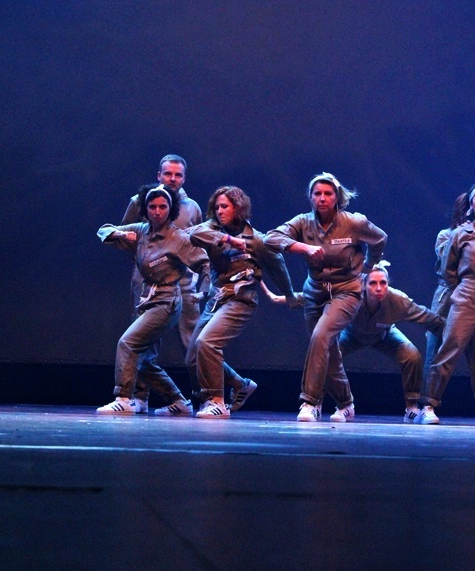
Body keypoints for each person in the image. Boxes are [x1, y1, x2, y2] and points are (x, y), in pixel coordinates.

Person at [266, 173, 387, 423]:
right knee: (327, 349)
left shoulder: (354, 223)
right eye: (317, 194)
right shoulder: (303, 223)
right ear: (310, 197)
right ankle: (346, 403)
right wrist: (304, 247)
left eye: (328, 194)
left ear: (337, 197)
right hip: (315, 291)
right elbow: (271, 238)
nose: (322, 198)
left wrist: (370, 264)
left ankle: (310, 402)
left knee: (321, 337)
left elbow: (380, 238)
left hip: (346, 290)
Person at [184, 186, 301, 419]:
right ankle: (240, 383)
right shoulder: (212, 230)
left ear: (238, 207)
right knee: (193, 358)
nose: (219, 211)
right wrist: (226, 239)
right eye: (216, 207)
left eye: (224, 206)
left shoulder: (257, 239)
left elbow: (277, 267)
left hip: (241, 300)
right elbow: (193, 234)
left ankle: (216, 401)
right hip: (216, 300)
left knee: (207, 344)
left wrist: (288, 294)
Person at [96, 186, 209, 415]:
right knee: (144, 358)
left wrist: (203, 291)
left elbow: (204, 263)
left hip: (167, 302)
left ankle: (124, 398)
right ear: (146, 209)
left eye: (162, 207)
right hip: (148, 299)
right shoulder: (141, 230)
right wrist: (120, 235)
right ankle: (178, 401)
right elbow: (103, 231)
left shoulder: (178, 238)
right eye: (152, 207)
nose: (157, 212)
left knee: (127, 343)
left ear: (171, 209)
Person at [119, 155, 205, 412]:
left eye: (178, 175)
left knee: (193, 341)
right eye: (168, 174)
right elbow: (126, 235)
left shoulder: (191, 207)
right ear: (159, 175)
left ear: (184, 178)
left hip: (185, 283)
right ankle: (140, 397)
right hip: (148, 283)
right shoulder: (140, 202)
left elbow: (200, 243)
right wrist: (146, 261)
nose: (173, 179)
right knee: (144, 339)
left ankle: (204, 398)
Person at [420, 183, 475, 425]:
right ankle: (428, 404)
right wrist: (464, 286)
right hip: (466, 294)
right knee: (449, 348)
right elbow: (447, 269)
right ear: (471, 205)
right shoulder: (459, 234)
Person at [338, 262, 444, 421]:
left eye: (383, 283)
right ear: (364, 285)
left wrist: (454, 328)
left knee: (412, 355)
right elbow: (317, 299)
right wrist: (291, 298)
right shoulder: (352, 296)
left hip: (384, 335)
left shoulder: (398, 300)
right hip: (352, 334)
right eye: (373, 283)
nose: (379, 288)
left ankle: (411, 407)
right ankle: (341, 405)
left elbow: (425, 316)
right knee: (327, 354)